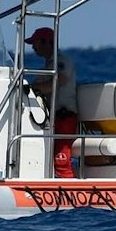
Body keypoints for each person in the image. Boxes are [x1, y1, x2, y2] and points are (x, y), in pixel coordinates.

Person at [28, 26, 80, 177]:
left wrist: (35, 87)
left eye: (35, 43)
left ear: (46, 42)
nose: (32, 47)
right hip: (52, 118)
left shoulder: (61, 61)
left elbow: (60, 80)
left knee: (61, 160)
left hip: (64, 116)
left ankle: (70, 196)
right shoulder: (49, 64)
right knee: (50, 159)